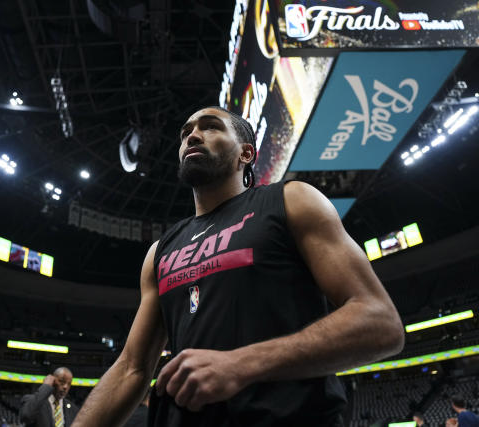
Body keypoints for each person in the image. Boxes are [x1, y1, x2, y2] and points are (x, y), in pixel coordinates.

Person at [72, 106, 405, 426]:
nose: (193, 136)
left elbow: (379, 321)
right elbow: (132, 368)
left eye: (211, 126)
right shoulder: (160, 251)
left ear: (246, 154)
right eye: (186, 132)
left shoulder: (291, 200)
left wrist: (241, 364)